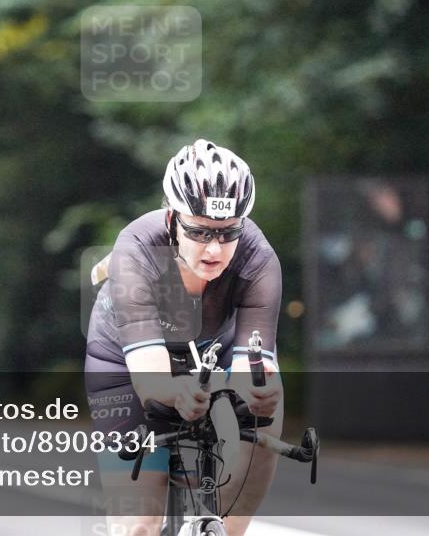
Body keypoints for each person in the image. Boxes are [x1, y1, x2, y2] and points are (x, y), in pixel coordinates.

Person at [85, 139, 283, 536]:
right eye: (200, 231)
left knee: (265, 416)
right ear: (172, 218)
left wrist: (257, 392)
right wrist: (174, 394)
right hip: (125, 360)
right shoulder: (136, 249)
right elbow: (151, 380)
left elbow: (252, 365)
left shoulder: (258, 258)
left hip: (215, 349)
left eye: (228, 234)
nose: (215, 248)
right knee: (139, 525)